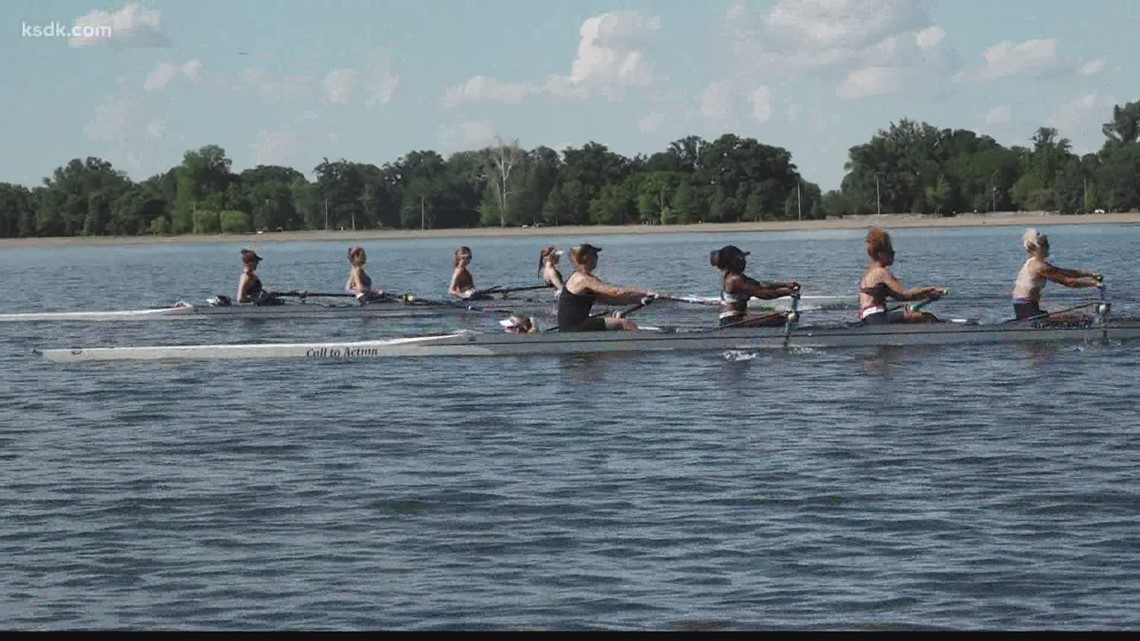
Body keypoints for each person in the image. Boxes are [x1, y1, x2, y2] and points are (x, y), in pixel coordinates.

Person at [556, 244, 656, 332]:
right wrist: (645, 292)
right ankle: (639, 348)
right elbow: (614, 292)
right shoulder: (582, 279)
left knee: (618, 322)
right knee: (625, 324)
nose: (597, 258)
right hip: (573, 326)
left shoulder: (590, 279)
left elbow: (612, 299)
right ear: (586, 258)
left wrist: (639, 299)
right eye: (594, 255)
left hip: (577, 323)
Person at [857, 228, 945, 325]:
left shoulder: (867, 274)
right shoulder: (881, 273)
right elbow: (904, 294)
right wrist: (930, 289)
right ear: (881, 254)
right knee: (927, 317)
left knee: (913, 316)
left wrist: (927, 296)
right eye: (890, 251)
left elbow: (899, 297)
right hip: (877, 318)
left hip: (868, 319)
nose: (894, 253)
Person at [1011, 228, 1101, 322]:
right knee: (1080, 318)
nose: (1048, 246)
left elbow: (1065, 272)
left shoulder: (1034, 263)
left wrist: (1089, 274)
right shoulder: (1039, 267)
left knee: (1069, 315)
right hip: (1028, 311)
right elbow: (1069, 282)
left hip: (1026, 309)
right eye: (1045, 244)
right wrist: (1094, 284)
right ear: (1038, 248)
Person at [709, 245, 799, 328]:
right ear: (735, 262)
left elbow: (761, 285)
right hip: (733, 321)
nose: (745, 262)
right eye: (742, 259)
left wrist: (785, 284)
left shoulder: (734, 276)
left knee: (780, 317)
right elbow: (764, 294)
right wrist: (788, 292)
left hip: (737, 318)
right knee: (783, 318)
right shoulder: (735, 280)